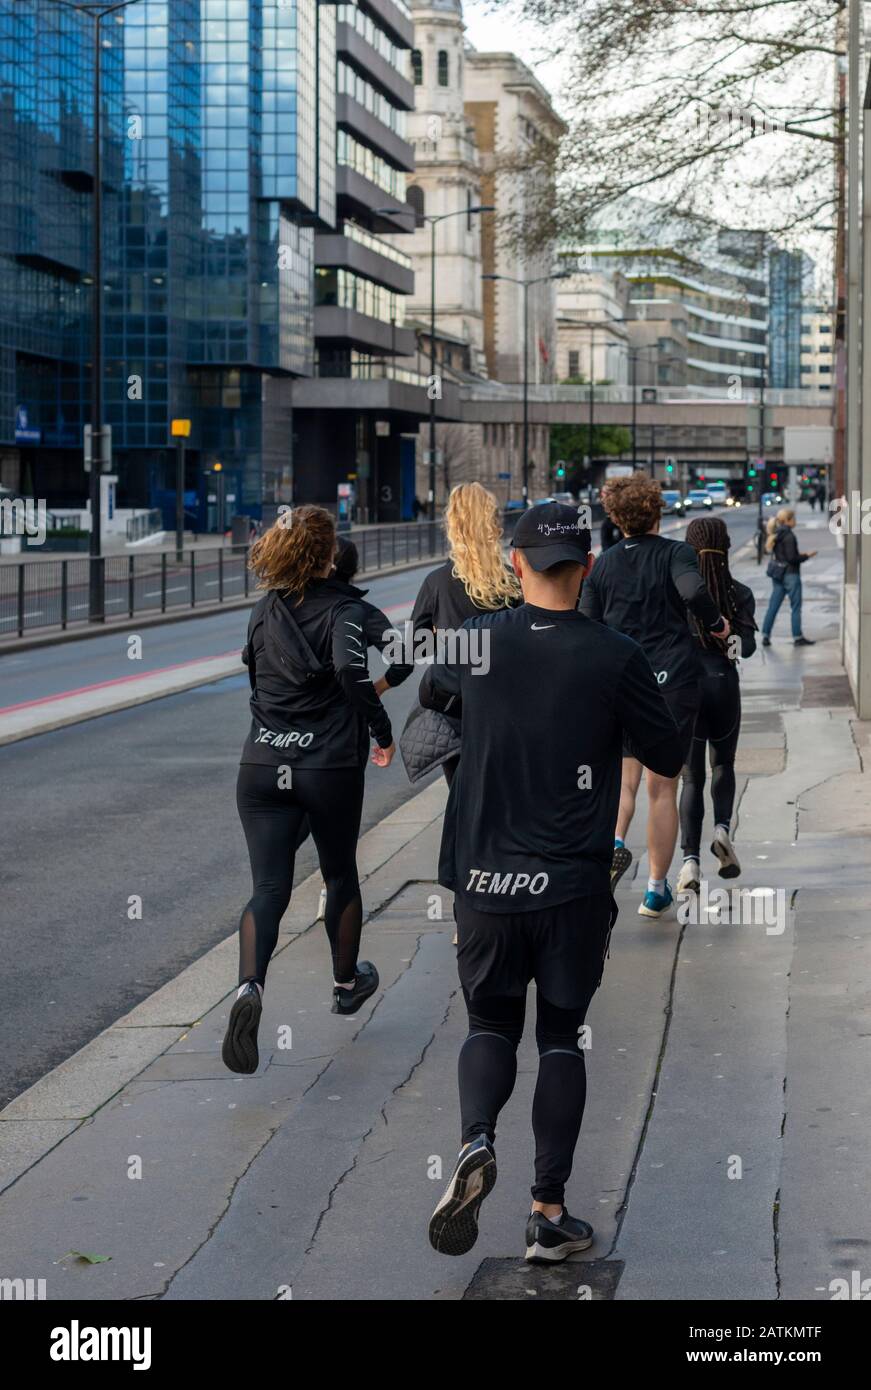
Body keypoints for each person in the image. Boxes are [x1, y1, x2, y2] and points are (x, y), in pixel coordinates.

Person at [421, 502, 683, 1262]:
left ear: (516, 564)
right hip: (568, 883)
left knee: (488, 1026)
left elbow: (431, 708)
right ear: (586, 569)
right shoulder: (614, 654)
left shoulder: (471, 642)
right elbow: (664, 753)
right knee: (561, 1037)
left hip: (483, 879)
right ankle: (547, 1214)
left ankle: (474, 1140)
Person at [222, 506, 396, 1076]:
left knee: (268, 887)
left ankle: (249, 986)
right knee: (340, 873)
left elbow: (254, 675)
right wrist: (381, 725)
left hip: (261, 761)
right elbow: (382, 659)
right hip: (325, 765)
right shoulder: (348, 611)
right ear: (326, 557)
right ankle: (346, 985)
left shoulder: (262, 610)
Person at [579, 473, 731, 918]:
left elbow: (588, 623)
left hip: (620, 685)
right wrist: (718, 624)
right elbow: (692, 590)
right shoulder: (675, 553)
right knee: (662, 787)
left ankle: (614, 845)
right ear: (657, 510)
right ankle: (654, 890)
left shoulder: (603, 564)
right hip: (672, 682)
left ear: (616, 516)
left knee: (623, 783)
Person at [411, 481, 521, 789]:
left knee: (462, 795)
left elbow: (418, 647)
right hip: (506, 703)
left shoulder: (436, 582)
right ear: (492, 524)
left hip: (454, 705)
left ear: (453, 524)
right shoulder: (511, 582)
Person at [676, 517, 757, 893]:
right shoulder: (738, 593)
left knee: (692, 777)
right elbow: (748, 648)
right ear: (725, 547)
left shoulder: (678, 594)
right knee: (723, 763)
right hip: (724, 685)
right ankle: (723, 830)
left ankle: (690, 862)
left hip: (687, 688)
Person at [761, 507, 817, 648]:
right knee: (796, 607)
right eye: (794, 518)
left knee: (773, 606)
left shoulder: (776, 534)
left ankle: (765, 635)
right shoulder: (789, 536)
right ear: (788, 520)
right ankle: (797, 637)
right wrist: (807, 556)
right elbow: (792, 558)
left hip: (778, 575)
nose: (795, 521)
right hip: (791, 574)